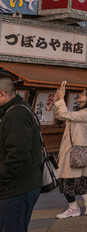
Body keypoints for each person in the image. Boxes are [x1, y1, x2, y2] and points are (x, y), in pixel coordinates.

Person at [0, 74, 42, 232]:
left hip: (16, 189)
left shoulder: (17, 114)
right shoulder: (13, 110)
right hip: (16, 187)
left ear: (2, 93)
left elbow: (18, 155)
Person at [51, 87, 87, 219]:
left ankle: (74, 207)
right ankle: (85, 199)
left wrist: (61, 99)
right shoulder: (80, 112)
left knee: (66, 179)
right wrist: (56, 101)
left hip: (74, 151)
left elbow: (66, 114)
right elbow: (61, 115)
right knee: (75, 179)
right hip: (72, 151)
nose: (80, 95)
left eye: (84, 94)